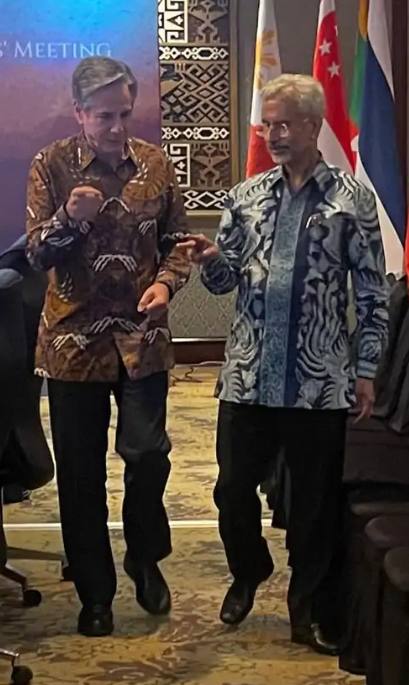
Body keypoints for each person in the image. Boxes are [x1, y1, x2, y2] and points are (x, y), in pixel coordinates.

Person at [178, 74, 389, 655]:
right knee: (231, 491)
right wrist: (211, 259)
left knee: (315, 504)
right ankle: (249, 569)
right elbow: (222, 284)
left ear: (314, 126)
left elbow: (372, 294)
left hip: (319, 378)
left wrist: (367, 369)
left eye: (284, 124)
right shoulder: (246, 197)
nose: (272, 135)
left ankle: (309, 608)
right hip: (247, 373)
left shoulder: (351, 200)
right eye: (267, 124)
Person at [25, 57, 190, 637]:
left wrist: (166, 283)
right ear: (79, 113)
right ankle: (95, 593)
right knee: (81, 472)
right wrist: (70, 219)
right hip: (73, 343)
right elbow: (36, 253)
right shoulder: (50, 165)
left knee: (148, 456)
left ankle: (145, 557)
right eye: (104, 116)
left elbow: (178, 243)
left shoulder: (155, 164)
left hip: (142, 338)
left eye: (124, 113)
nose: (117, 127)